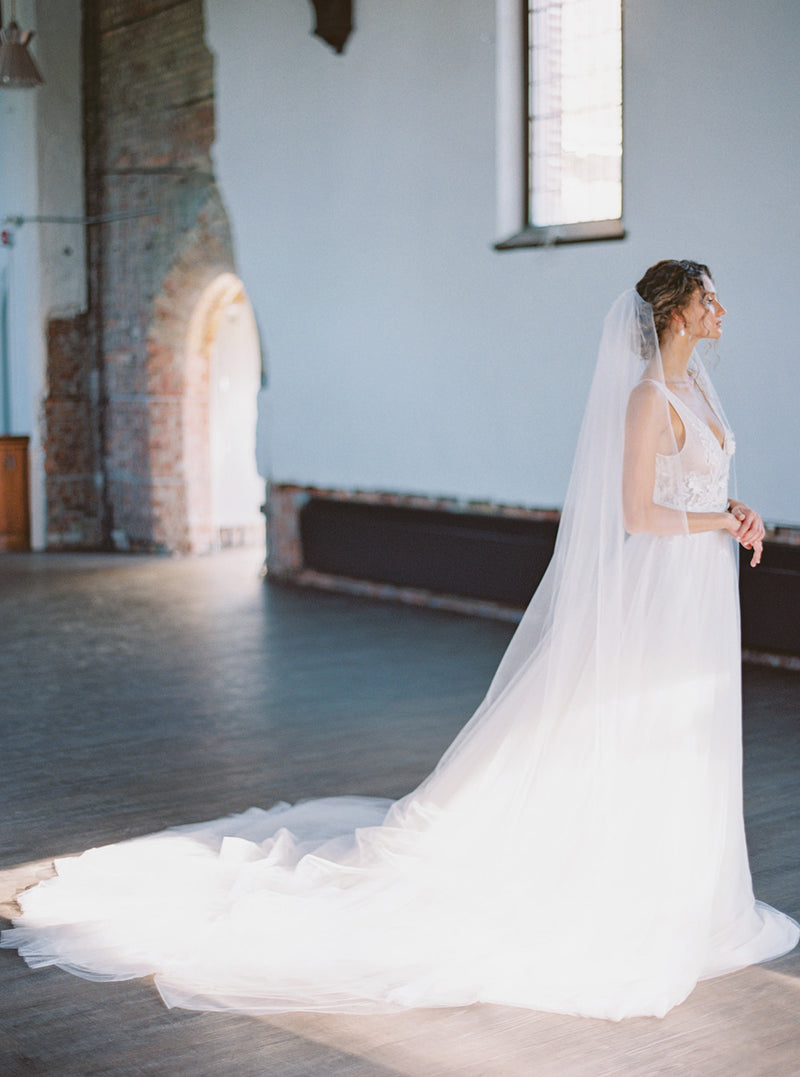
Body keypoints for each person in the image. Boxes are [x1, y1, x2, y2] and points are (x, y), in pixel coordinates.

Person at [2, 261, 797, 1020]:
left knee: (684, 735)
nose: (719, 309)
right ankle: (616, 883)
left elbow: (697, 486)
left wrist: (740, 511)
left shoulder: (699, 386)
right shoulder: (647, 397)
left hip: (701, 588)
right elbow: (636, 514)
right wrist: (717, 520)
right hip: (660, 586)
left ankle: (681, 887)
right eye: (708, 298)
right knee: (629, 728)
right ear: (673, 311)